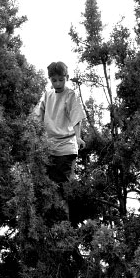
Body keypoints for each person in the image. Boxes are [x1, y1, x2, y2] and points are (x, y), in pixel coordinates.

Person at [34, 61, 86, 214]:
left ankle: (64, 222)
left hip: (66, 146)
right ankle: (51, 220)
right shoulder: (47, 95)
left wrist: (78, 137)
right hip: (50, 147)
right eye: (54, 80)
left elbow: (76, 118)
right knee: (48, 187)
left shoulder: (70, 95)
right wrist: (35, 135)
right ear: (50, 80)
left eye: (61, 80)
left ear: (67, 78)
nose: (57, 83)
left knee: (63, 187)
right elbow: (38, 114)